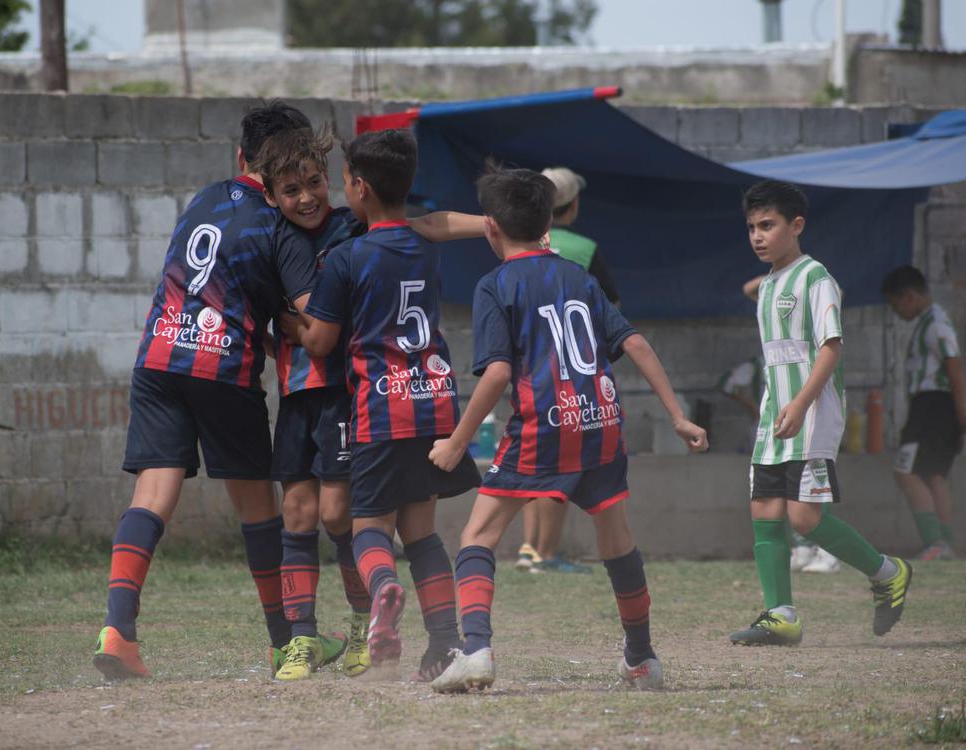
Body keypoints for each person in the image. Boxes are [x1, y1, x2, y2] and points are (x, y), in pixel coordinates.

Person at [427, 167, 708, 693]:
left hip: (545, 425)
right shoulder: (580, 277)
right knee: (616, 538)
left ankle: (477, 650)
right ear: (547, 224)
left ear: (491, 227)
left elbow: (498, 373)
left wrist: (457, 441)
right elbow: (636, 343)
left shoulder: (496, 285)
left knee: (478, 535)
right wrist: (677, 415)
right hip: (601, 422)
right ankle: (642, 658)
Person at [92, 102, 346, 680]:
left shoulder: (204, 197)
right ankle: (286, 642)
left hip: (158, 356)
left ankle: (118, 630)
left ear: (239, 157)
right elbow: (314, 320)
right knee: (258, 507)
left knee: (151, 494)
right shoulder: (280, 225)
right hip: (222, 369)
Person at [256, 127, 488, 680]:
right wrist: (492, 224)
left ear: (358, 187)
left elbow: (320, 341)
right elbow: (434, 224)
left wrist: (283, 327)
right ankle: (443, 644)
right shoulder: (421, 245)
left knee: (368, 530)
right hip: (435, 403)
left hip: (381, 410)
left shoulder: (348, 256)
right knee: (423, 533)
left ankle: (383, 589)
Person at [730, 180, 912, 648]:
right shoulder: (769, 284)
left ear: (797, 225)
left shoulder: (816, 278)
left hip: (811, 414)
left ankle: (888, 573)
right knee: (764, 511)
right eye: (751, 227)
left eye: (768, 225)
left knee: (805, 519)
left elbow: (831, 347)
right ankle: (781, 615)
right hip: (775, 416)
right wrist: (780, 406)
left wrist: (800, 402)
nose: (757, 236)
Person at [513, 166, 620, 575]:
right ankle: (546, 553)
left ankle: (529, 548)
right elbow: (611, 308)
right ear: (572, 206)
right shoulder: (584, 249)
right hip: (569, 374)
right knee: (561, 461)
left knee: (532, 456)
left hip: (525, 369)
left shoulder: (519, 246)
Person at [721, 278, 840, 575]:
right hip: (773, 421)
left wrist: (795, 271)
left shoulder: (817, 304)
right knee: (781, 493)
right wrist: (782, 273)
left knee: (811, 489)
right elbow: (749, 289)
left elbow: (834, 293)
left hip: (809, 413)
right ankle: (801, 549)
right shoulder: (766, 350)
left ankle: (830, 554)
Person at [882, 265, 965, 560]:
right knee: (933, 474)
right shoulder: (929, 322)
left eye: (895, 304)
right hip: (933, 407)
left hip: (934, 407)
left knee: (905, 471)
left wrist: (962, 415)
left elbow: (954, 367)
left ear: (908, 296)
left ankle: (936, 543)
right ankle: (945, 545)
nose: (896, 311)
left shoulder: (936, 324)